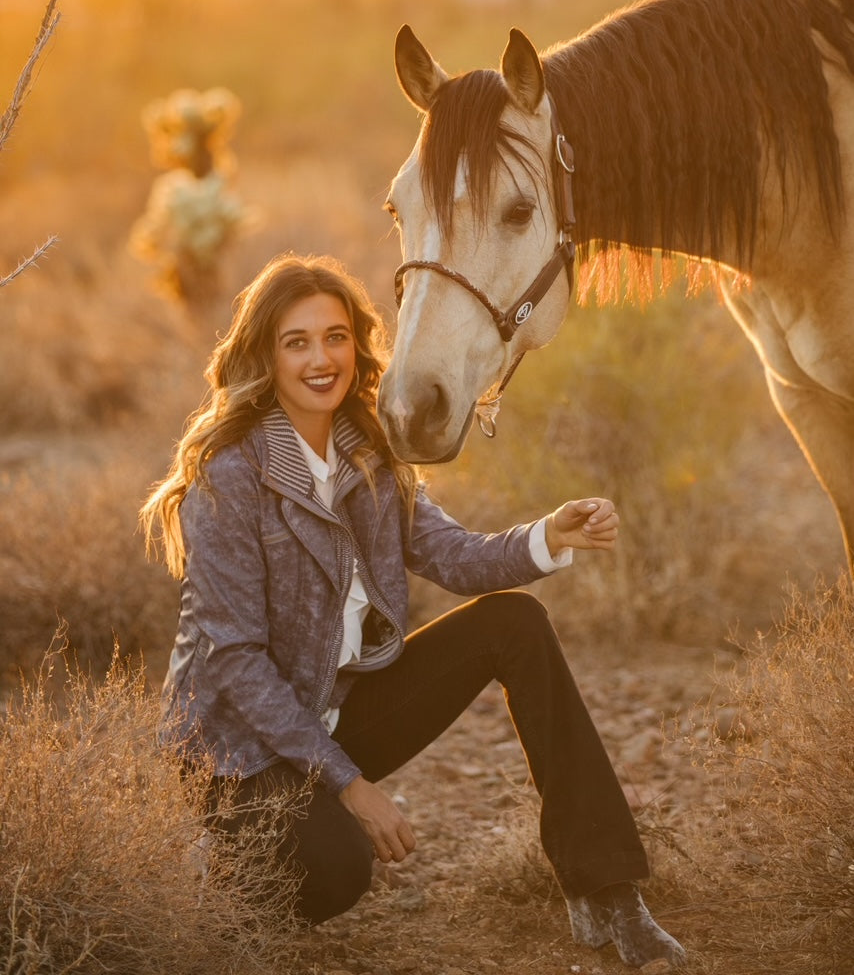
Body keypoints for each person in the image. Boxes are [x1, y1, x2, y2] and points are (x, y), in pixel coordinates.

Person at [142, 253, 686, 970]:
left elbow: (456, 556)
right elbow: (237, 663)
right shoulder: (231, 474)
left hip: (330, 712)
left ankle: (607, 891)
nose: (320, 358)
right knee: (336, 873)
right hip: (240, 750)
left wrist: (549, 535)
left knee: (513, 624)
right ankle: (217, 861)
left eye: (335, 337)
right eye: (296, 341)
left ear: (357, 347)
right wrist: (353, 788)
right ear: (265, 355)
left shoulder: (368, 452)